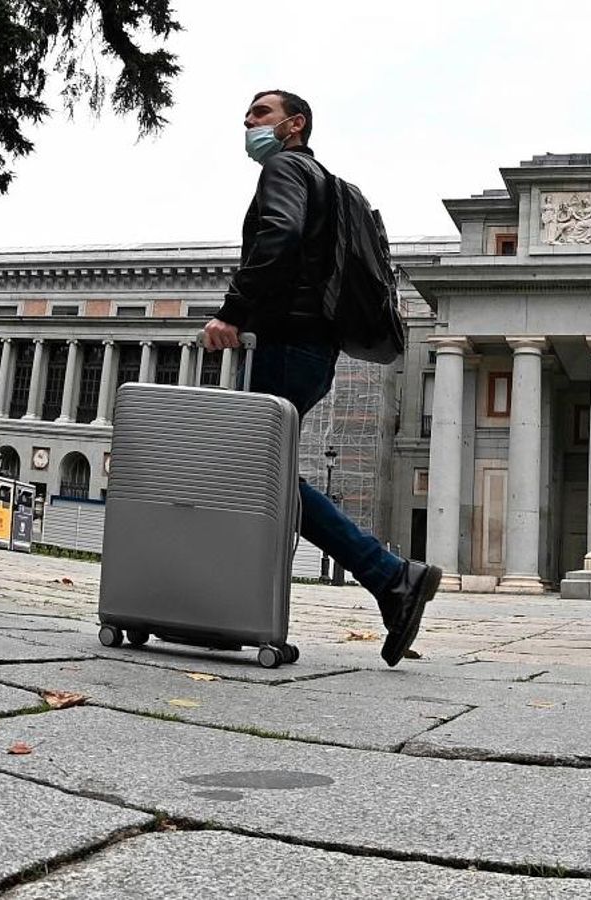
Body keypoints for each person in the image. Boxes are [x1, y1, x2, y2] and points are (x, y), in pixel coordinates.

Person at [202, 89, 438, 667]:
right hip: (314, 346)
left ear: (293, 125)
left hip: (288, 339)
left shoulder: (285, 167)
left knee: (261, 473)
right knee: (266, 474)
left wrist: (233, 310)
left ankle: (389, 575)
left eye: (261, 113)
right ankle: (381, 581)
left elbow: (278, 238)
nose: (248, 122)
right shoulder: (328, 183)